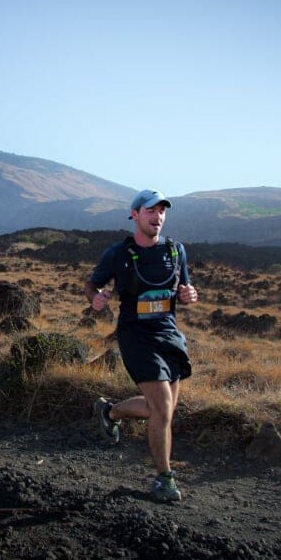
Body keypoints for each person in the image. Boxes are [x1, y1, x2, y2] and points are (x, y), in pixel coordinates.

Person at [85, 189, 199, 503]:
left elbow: (184, 289)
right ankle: (164, 478)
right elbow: (92, 283)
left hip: (168, 334)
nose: (157, 216)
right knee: (162, 407)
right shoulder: (118, 253)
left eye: (162, 211)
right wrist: (95, 298)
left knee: (161, 409)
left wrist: (189, 296)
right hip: (136, 335)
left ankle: (110, 411)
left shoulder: (176, 251)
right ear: (135, 214)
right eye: (151, 211)